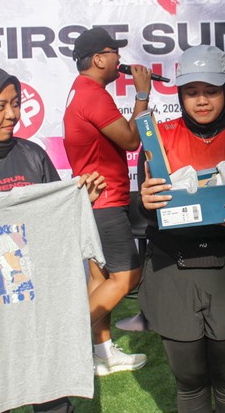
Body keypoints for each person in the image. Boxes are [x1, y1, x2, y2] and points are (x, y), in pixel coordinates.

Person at [138, 44, 225, 412]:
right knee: (190, 382)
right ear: (180, 94)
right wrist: (145, 202)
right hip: (172, 268)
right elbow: (144, 209)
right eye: (191, 92)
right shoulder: (157, 136)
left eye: (211, 91)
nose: (201, 101)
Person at [0, 63, 106, 413]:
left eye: (16, 104)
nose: (12, 114)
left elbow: (56, 221)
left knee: (51, 392)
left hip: (39, 304)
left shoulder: (31, 156)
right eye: (0, 106)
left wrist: (80, 203)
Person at [63, 27, 151, 376]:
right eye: (115, 52)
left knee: (99, 279)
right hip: (104, 200)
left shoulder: (81, 90)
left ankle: (103, 354)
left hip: (94, 200)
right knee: (128, 275)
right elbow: (130, 140)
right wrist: (142, 94)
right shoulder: (93, 94)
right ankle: (59, 342)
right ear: (99, 59)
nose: (120, 59)